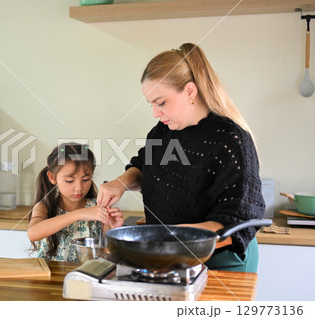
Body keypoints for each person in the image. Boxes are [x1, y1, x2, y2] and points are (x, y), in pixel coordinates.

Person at [97, 43, 265, 272]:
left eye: (161, 102)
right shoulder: (164, 132)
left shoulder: (231, 141)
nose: (156, 113)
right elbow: (144, 167)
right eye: (151, 104)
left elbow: (235, 223)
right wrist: (121, 183)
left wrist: (170, 235)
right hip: (171, 255)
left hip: (218, 260)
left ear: (189, 91)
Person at [28, 143, 124, 262]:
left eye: (85, 180)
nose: (79, 188)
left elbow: (108, 254)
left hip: (87, 275)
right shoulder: (44, 207)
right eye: (69, 181)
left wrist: (114, 230)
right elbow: (33, 233)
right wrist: (79, 214)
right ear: (52, 177)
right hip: (51, 276)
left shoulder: (98, 208)